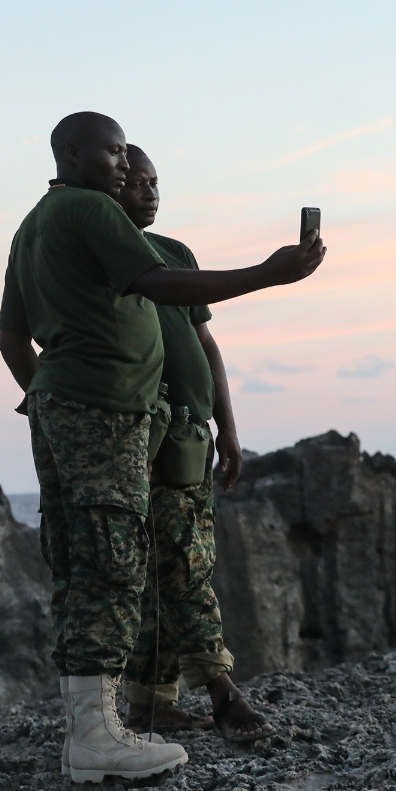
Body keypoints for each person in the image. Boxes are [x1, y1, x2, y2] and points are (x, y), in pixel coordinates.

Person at [0, 111, 324, 784]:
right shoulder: (87, 209)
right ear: (72, 154)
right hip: (104, 407)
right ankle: (96, 739)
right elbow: (161, 284)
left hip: (69, 403)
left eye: (127, 154)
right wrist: (270, 272)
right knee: (114, 563)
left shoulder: (32, 225)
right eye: (112, 152)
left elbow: (10, 335)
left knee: (86, 560)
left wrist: (48, 401)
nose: (122, 165)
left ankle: (97, 724)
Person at [116, 145, 273, 743]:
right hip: (141, 434)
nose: (151, 193)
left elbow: (206, 344)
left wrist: (226, 426)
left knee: (169, 565)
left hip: (191, 432)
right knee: (184, 564)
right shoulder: (104, 256)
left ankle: (152, 702)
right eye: (138, 183)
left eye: (157, 183)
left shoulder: (176, 254)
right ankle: (221, 691)